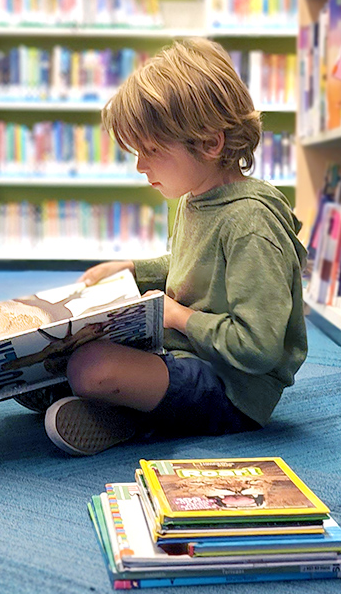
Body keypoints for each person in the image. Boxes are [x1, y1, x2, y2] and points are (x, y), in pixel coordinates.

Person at [19, 37, 307, 456]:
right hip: (182, 353)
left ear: (210, 143)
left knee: (88, 367)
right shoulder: (197, 198)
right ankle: (109, 399)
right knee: (42, 347)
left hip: (232, 388)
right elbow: (191, 264)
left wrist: (176, 316)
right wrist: (135, 270)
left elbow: (259, 347)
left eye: (151, 150)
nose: (140, 165)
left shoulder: (251, 225)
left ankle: (120, 412)